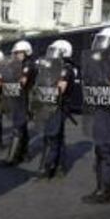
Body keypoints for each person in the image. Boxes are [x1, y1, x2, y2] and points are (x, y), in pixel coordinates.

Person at [81, 28, 110, 204]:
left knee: (104, 149)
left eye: (103, 40)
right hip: (103, 109)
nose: (99, 43)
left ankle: (104, 191)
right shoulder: (104, 61)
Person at [35, 40, 77, 179]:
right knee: (56, 136)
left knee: (52, 136)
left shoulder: (65, 68)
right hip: (49, 104)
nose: (51, 55)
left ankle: (47, 168)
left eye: (54, 51)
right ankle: (59, 167)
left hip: (58, 105)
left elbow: (60, 89)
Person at [0, 40, 36, 166]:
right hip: (17, 98)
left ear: (26, 52)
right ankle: (24, 153)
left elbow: (22, 82)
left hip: (25, 99)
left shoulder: (28, 65)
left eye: (19, 53)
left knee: (17, 128)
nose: (16, 55)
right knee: (22, 127)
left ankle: (12, 157)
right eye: (15, 53)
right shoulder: (17, 65)